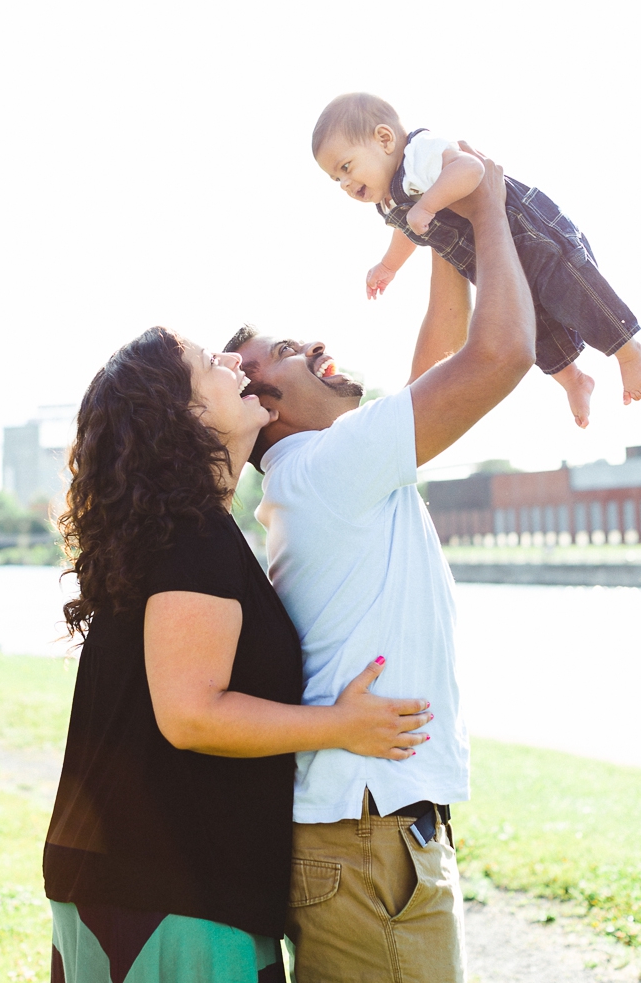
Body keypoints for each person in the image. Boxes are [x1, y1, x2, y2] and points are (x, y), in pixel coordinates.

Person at [223, 150, 536, 983]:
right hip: (370, 836)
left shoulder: (320, 472)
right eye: (286, 350)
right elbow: (499, 354)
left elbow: (435, 370)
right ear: (267, 409)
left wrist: (439, 227)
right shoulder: (332, 468)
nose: (315, 343)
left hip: (363, 831)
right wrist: (492, 206)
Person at [43, 326, 432, 983]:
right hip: (166, 894)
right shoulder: (192, 537)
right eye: (208, 363)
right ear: (187, 416)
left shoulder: (184, 530)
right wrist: (341, 725)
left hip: (147, 885)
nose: (231, 362)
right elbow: (191, 715)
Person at [312, 91, 641, 429]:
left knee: (572, 290)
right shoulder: (388, 199)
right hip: (489, 258)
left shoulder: (418, 154)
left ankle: (628, 349)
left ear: (384, 139)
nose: (344, 183)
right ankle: (573, 378)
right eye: (335, 178)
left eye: (346, 167)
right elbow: (407, 229)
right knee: (530, 324)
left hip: (526, 232)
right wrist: (389, 265)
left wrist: (428, 205)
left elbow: (470, 168)